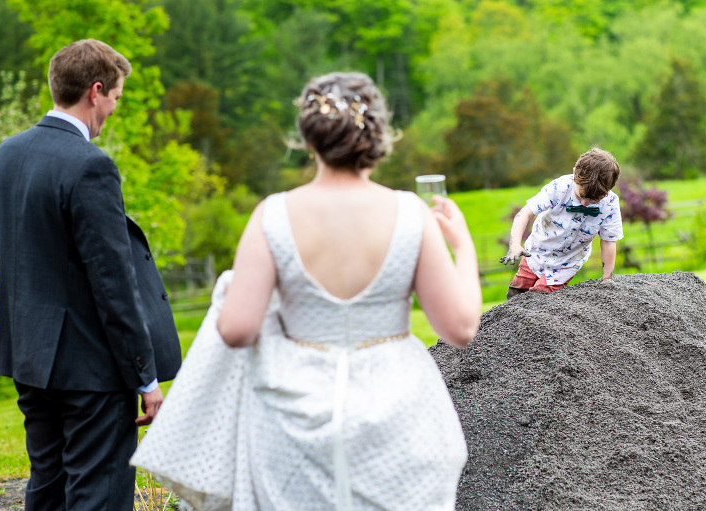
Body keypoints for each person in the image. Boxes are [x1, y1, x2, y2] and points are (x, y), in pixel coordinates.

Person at [132, 72, 482, 510]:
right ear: (378, 136)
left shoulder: (273, 215)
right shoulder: (411, 214)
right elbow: (461, 326)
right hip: (398, 417)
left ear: (309, 139)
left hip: (292, 421)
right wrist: (463, 246)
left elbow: (237, 329)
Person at [0, 39, 181, 510]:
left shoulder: (4, 156)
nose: (114, 107)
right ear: (96, 91)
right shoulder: (91, 165)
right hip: (90, 368)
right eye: (115, 96)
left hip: (29, 361)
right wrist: (146, 381)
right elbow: (114, 285)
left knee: (46, 488)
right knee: (99, 494)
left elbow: (3, 261)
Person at [499, 147, 624, 298]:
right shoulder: (559, 188)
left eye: (593, 200)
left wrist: (607, 279)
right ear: (574, 174)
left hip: (568, 262)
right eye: (581, 196)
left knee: (540, 296)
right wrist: (514, 245)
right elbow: (525, 213)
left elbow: (609, 241)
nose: (584, 204)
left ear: (608, 190)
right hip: (536, 252)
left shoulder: (610, 204)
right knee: (517, 291)